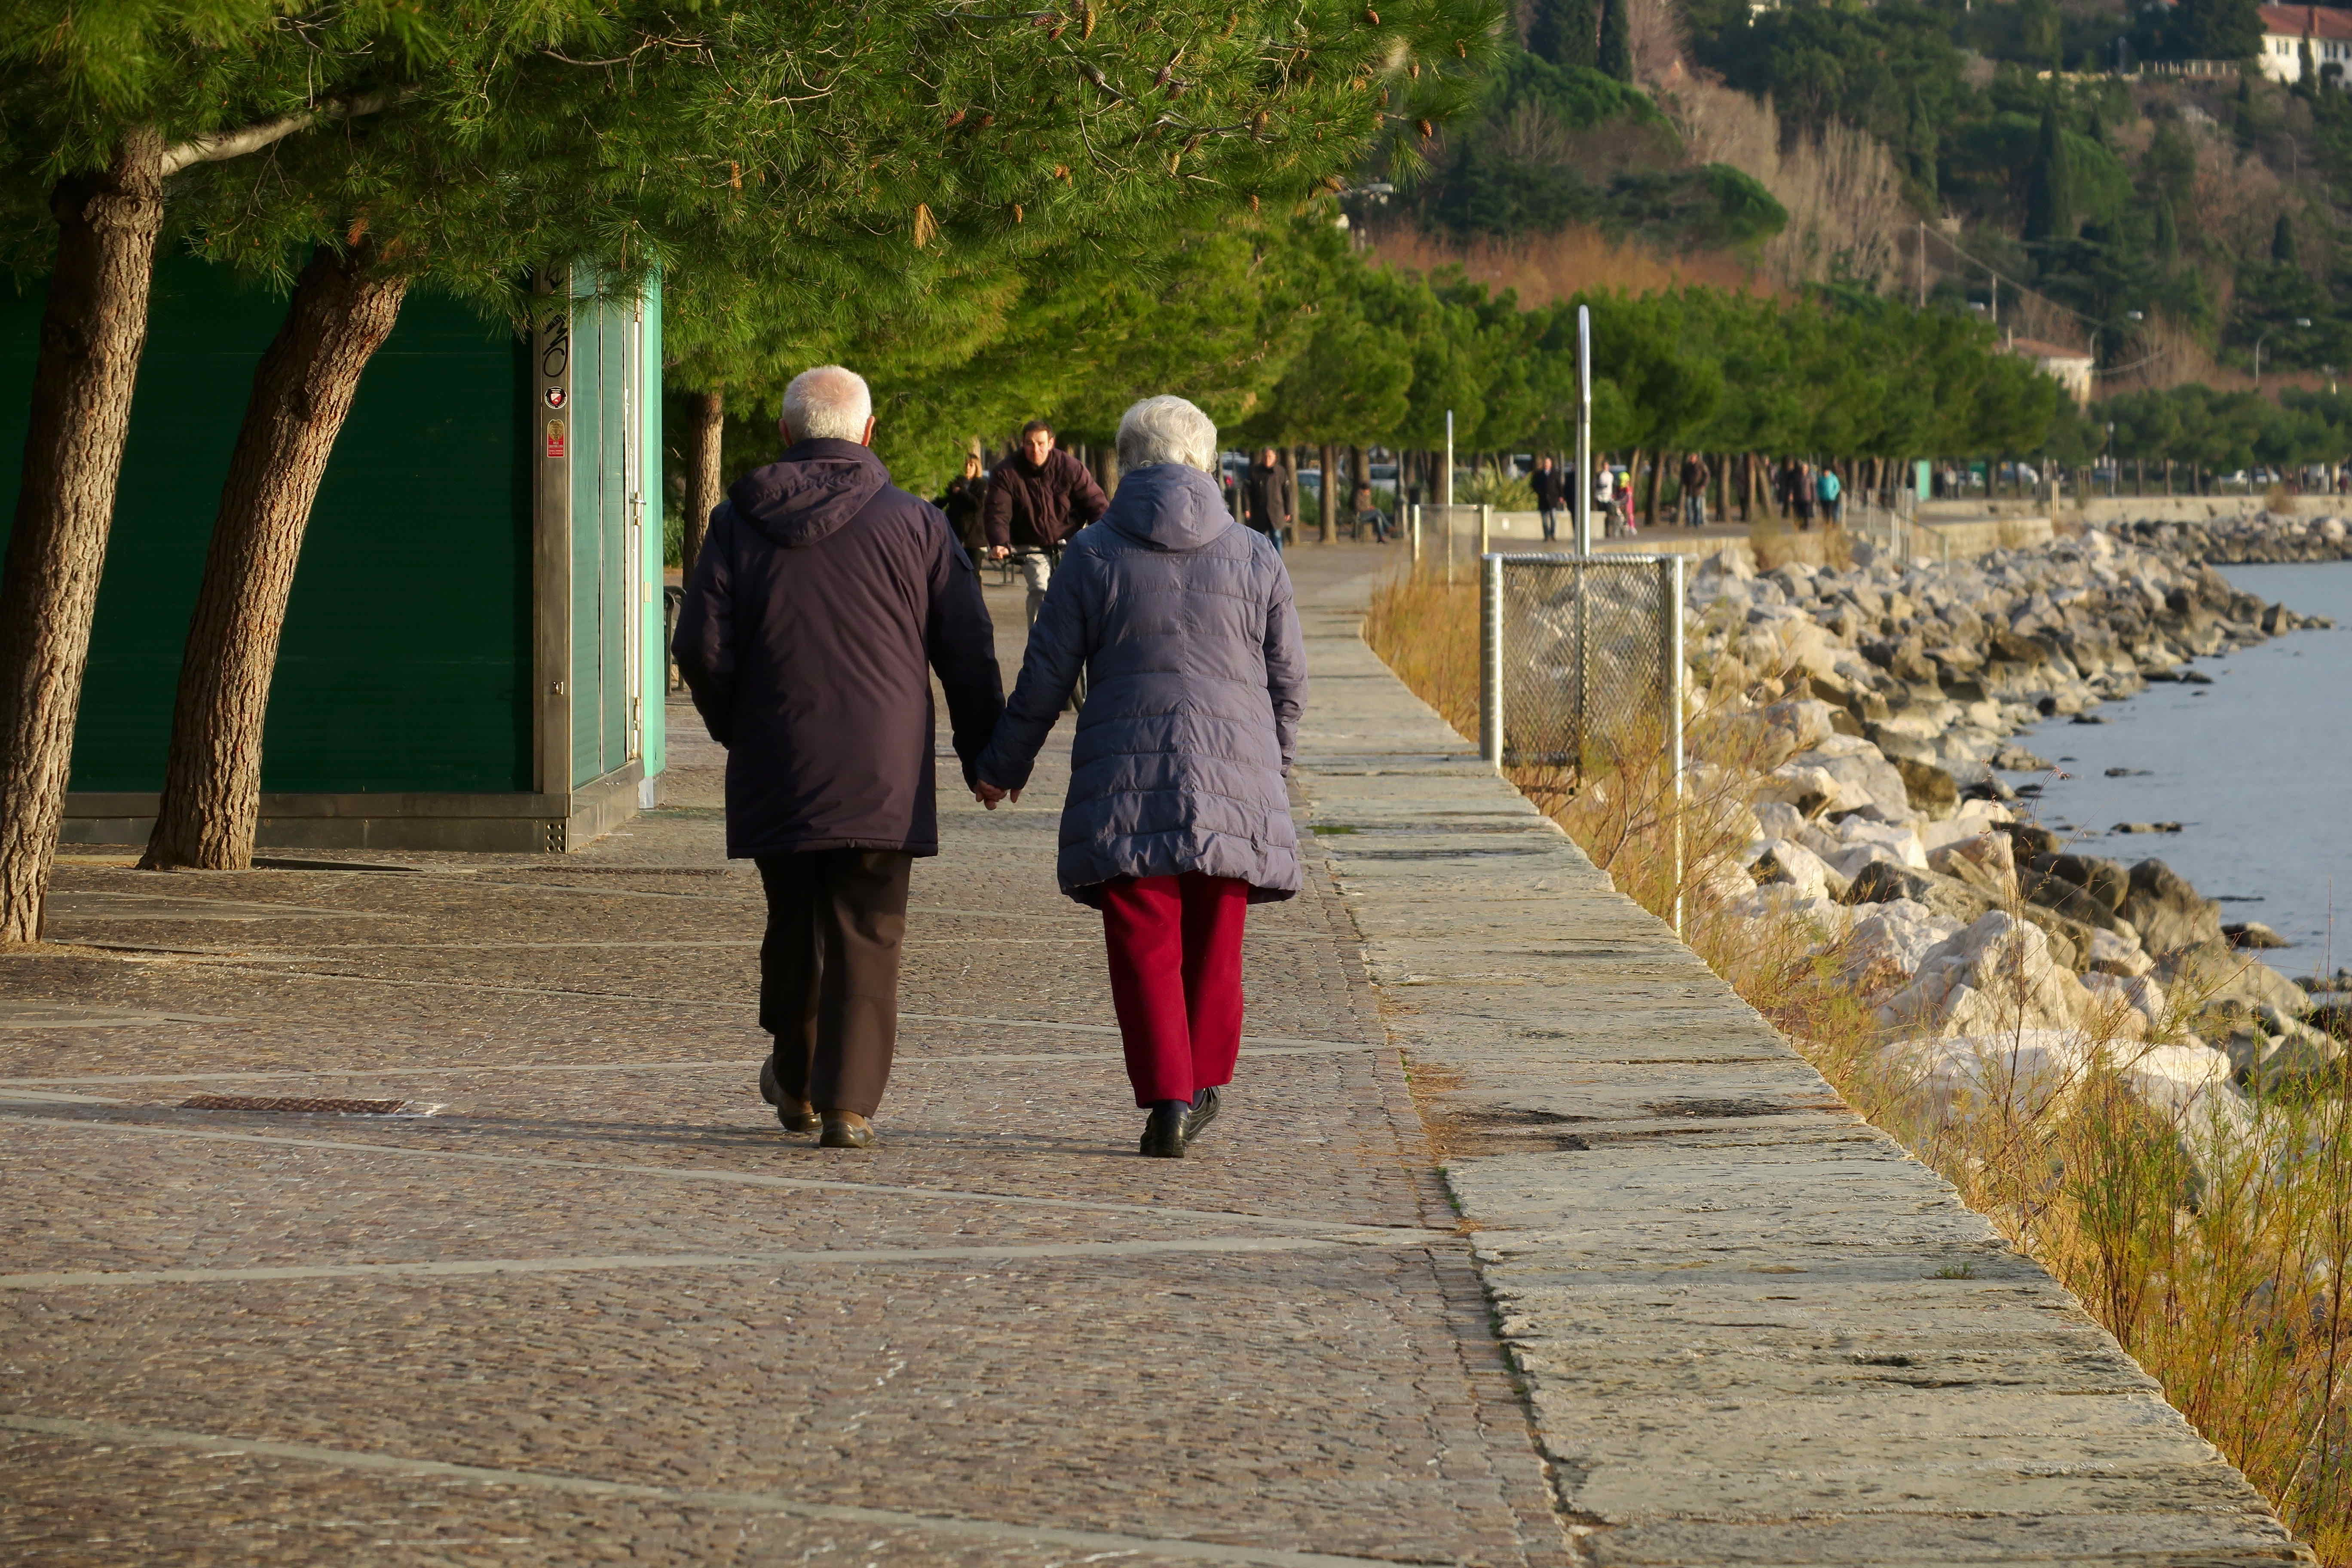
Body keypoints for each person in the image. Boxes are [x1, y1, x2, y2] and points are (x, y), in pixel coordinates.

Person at [673, 365, 1004, 1151]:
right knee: (868, 927)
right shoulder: (918, 524)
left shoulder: (735, 522)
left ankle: (795, 1077)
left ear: (787, 433)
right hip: (882, 765)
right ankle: (848, 1102)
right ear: (868, 430)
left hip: (777, 756)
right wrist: (984, 753)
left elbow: (699, 644)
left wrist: (737, 727)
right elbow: (966, 646)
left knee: (793, 921)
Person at [973, 396, 1306, 1160]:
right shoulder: (1256, 554)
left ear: (1125, 464)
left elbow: (1046, 677)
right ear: (1204, 461)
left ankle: (1167, 1097)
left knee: (1143, 939)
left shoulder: (1092, 554)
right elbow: (1289, 681)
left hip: (1125, 775)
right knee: (1217, 936)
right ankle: (1203, 1082)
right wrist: (1271, 768)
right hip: (1235, 775)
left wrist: (1001, 767)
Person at [985, 419, 1108, 625]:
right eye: (1030, 444)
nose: (1036, 450)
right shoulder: (1006, 472)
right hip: (1030, 543)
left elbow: (1096, 504)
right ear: (1022, 444)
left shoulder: (1071, 467)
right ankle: (1038, 643)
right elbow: (998, 511)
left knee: (1076, 591)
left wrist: (1104, 536)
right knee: (1039, 589)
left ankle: (1076, 638)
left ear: (1051, 443)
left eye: (1041, 444)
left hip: (1068, 541)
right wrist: (1000, 542)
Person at [938, 446, 989, 559]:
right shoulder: (954, 484)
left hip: (975, 539)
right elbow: (940, 501)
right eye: (965, 465)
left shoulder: (982, 485)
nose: (968, 468)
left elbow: (978, 505)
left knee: (974, 574)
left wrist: (961, 492)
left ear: (977, 467)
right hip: (956, 536)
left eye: (971, 465)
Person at [1243, 447, 1290, 551]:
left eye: (1270, 457)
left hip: (1277, 511)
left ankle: (1278, 565)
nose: (1267, 459)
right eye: (1265, 456)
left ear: (1275, 457)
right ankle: (1260, 565)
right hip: (1259, 512)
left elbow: (1286, 492)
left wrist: (1288, 511)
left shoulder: (1281, 471)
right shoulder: (1254, 471)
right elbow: (1246, 492)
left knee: (1277, 539)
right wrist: (1247, 509)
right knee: (1258, 540)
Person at [1531, 454, 1567, 542]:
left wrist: (1561, 496)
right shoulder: (1539, 475)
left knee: (1553, 518)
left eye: (1548, 463)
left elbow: (1560, 486)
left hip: (1553, 500)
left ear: (1551, 464)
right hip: (1543, 500)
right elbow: (1534, 485)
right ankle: (1546, 535)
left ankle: (1553, 534)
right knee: (1544, 520)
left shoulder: (1555, 474)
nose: (1547, 464)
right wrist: (1539, 492)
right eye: (1546, 463)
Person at [1678, 453, 1709, 530]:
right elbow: (1683, 476)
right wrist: (1685, 483)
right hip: (1689, 490)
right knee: (1688, 506)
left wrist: (1703, 485)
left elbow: (1707, 476)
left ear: (1696, 458)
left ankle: (1697, 523)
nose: (1692, 459)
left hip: (1698, 490)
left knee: (1697, 507)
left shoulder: (1701, 465)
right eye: (1691, 457)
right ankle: (1689, 522)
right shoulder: (1687, 466)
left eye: (1693, 457)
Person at [1593, 457, 1618, 539]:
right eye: (1604, 465)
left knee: (1608, 514)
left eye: (1607, 465)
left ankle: (1607, 530)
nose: (1606, 467)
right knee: (1601, 514)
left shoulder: (1611, 476)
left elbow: (1613, 486)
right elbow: (1595, 485)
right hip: (1600, 497)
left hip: (1608, 497)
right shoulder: (1599, 475)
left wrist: (1613, 495)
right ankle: (1601, 530)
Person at [1816, 463, 1843, 527]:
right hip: (1823, 498)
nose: (1825, 473)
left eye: (1827, 471)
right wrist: (1820, 494)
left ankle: (1833, 523)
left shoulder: (1833, 478)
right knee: (1825, 511)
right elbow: (1818, 487)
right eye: (1824, 472)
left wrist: (1833, 494)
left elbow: (1837, 487)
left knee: (1831, 511)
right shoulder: (1821, 479)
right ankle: (1826, 523)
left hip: (1831, 498)